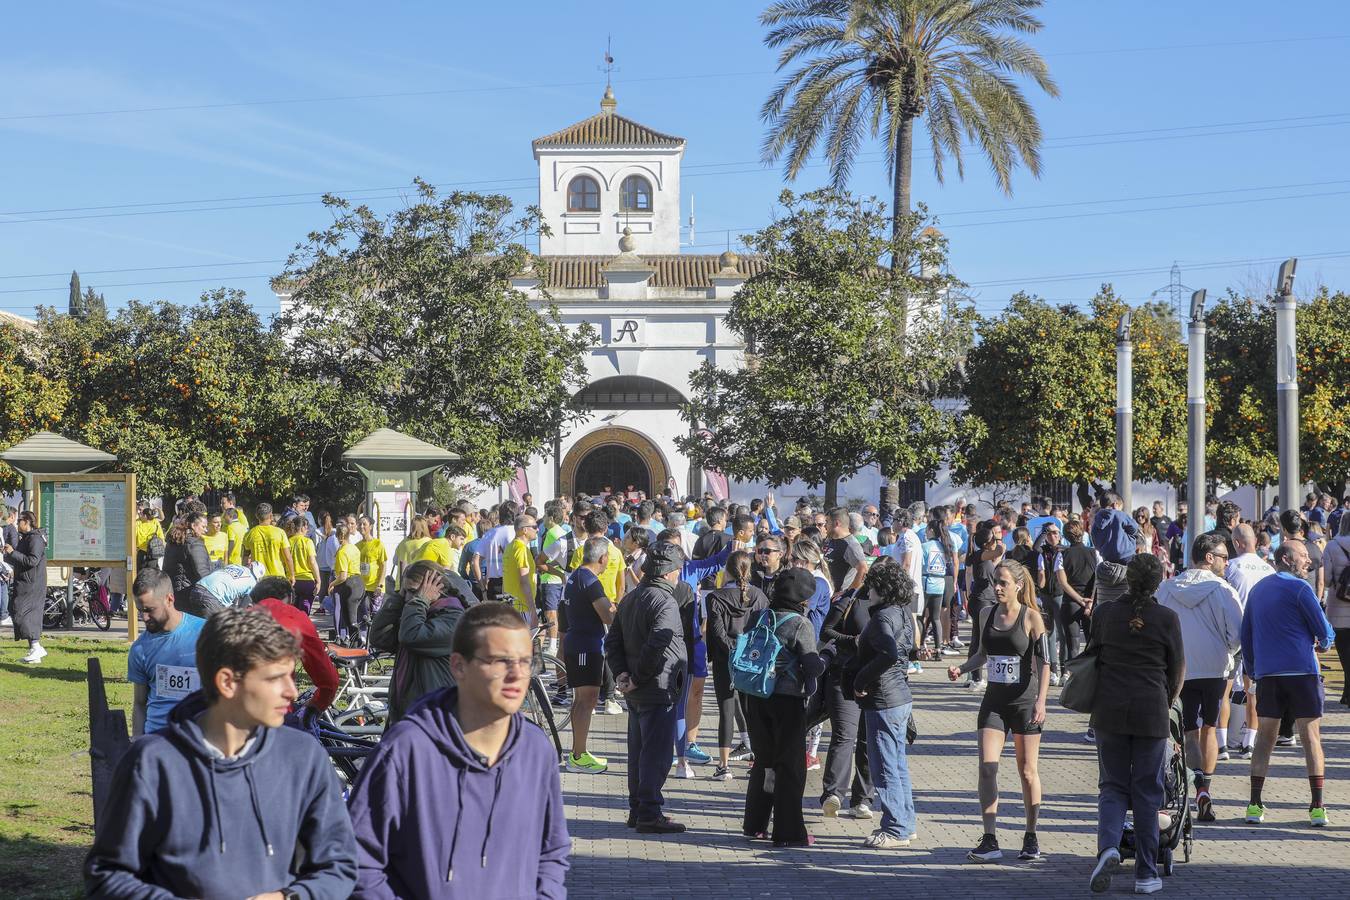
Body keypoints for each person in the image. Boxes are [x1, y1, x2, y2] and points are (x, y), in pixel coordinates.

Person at [85, 607, 357, 899]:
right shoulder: (152, 763)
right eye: (276, 678)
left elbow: (339, 865)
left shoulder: (304, 758)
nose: (292, 691)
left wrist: (289, 897)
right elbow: (107, 875)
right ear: (228, 682)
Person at [348, 600, 570, 898]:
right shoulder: (407, 750)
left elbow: (552, 850)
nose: (517, 674)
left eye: (526, 661)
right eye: (500, 661)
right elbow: (358, 860)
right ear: (458, 666)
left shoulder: (536, 750)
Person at [1088, 553, 1184, 895]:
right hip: (1151, 710)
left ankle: (1110, 846)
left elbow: (1092, 657)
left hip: (1110, 709)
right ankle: (1145, 872)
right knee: (1147, 792)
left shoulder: (1105, 614)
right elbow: (1178, 670)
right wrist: (1168, 700)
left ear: (1127, 580)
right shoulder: (1167, 618)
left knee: (1112, 786)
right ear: (1158, 582)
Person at [949, 559, 1049, 863]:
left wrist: (1041, 701)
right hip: (993, 703)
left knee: (1027, 771)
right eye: (995, 581)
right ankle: (990, 838)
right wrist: (961, 668)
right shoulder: (985, 613)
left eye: (1003, 582)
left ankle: (1030, 835)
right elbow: (982, 654)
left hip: (1024, 703)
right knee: (987, 768)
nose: (997, 587)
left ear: (1018, 585)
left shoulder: (1032, 618)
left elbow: (1045, 664)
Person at [1241, 540, 1336, 827]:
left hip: (1268, 675)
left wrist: (1254, 670)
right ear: (1286, 558)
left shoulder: (1258, 590)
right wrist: (1326, 642)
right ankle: (1317, 807)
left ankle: (1254, 805)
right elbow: (1323, 630)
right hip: (1302, 673)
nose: (1308, 561)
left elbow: (1246, 636)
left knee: (1265, 738)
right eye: (1303, 556)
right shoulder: (1300, 588)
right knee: (1310, 738)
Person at [1152, 532, 1242, 821]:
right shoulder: (1223, 590)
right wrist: (1227, 649)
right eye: (1224, 557)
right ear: (1209, 558)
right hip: (1215, 669)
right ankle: (1206, 789)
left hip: (1179, 669)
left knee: (1188, 731)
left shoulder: (1166, 588)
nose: (1228, 563)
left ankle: (1194, 788)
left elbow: (1156, 625)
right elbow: (1237, 634)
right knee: (1211, 729)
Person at [604, 541, 688, 833]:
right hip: (655, 686)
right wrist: (634, 676)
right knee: (655, 753)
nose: (679, 575)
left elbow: (611, 642)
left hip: (640, 687)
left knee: (639, 751)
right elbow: (657, 644)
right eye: (678, 570)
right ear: (669, 573)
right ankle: (649, 812)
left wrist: (622, 675)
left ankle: (638, 809)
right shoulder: (664, 601)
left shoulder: (631, 597)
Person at [740, 568, 825, 847]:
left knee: (763, 760)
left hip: (756, 695)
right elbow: (811, 666)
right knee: (790, 767)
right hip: (788, 701)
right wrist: (827, 658)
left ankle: (754, 825)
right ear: (802, 598)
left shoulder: (761, 615)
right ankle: (789, 832)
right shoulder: (801, 624)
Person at [850, 557, 919, 849]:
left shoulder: (881, 617)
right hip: (898, 695)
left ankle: (895, 828)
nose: (869, 591)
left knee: (886, 766)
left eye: (873, 586)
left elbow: (888, 654)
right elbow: (906, 651)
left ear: (882, 588)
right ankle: (905, 823)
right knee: (897, 764)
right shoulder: (902, 611)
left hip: (884, 698)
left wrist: (860, 680)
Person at [369, 561, 472, 723]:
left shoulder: (453, 618)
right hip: (409, 716)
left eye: (414, 591)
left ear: (438, 588)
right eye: (406, 592)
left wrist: (419, 600)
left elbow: (412, 637)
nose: (409, 598)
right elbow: (380, 637)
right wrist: (399, 598)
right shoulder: (417, 613)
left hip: (435, 720)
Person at [817, 557, 880, 821]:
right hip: (843, 675)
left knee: (867, 739)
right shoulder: (850, 599)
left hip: (876, 679)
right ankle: (833, 794)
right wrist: (852, 640)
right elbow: (826, 631)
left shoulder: (891, 607)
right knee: (845, 734)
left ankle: (862, 799)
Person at [705, 550, 770, 779]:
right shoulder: (759, 596)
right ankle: (759, 760)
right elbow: (764, 631)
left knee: (726, 711)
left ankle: (723, 766)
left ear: (727, 570)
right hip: (752, 660)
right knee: (753, 711)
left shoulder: (715, 597)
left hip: (726, 660)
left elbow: (716, 633)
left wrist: (729, 651)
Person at [127, 569, 206, 736]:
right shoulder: (140, 649)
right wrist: (138, 744)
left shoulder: (206, 634)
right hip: (157, 738)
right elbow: (139, 704)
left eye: (150, 609)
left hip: (198, 737)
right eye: (140, 610)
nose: (144, 617)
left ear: (170, 599)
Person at [562, 536, 618, 774]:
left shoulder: (575, 575)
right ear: (603, 558)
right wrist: (619, 609)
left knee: (582, 701)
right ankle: (578, 755)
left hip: (578, 642)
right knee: (587, 701)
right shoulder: (590, 580)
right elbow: (608, 616)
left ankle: (579, 752)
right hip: (586, 644)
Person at [248, 577, 340, 716]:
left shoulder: (241, 617)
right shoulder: (296, 617)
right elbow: (329, 680)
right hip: (274, 708)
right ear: (290, 597)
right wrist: (316, 706)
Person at [4, 511, 48, 663]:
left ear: (27, 521)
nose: (17, 524)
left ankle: (36, 647)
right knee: (21, 613)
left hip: (32, 584)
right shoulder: (27, 538)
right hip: (25, 582)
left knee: (24, 614)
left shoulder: (35, 539)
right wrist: (8, 554)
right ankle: (34, 650)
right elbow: (20, 558)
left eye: (19, 521)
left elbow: (32, 561)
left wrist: (13, 553)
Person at [1325, 512, 1350, 707]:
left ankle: (1348, 692)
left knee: (1343, 651)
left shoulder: (1332, 546)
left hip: (1338, 606)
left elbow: (1326, 580)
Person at [241, 503, 294, 582]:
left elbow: (245, 557)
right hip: (278, 577)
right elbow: (288, 557)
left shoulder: (249, 534)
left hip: (258, 578)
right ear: (271, 516)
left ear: (256, 516)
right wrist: (292, 575)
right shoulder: (280, 532)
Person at [825, 507, 867, 596]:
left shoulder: (850, 544)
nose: (825, 525)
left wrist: (846, 592)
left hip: (838, 601)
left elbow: (863, 570)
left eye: (827, 522)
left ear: (836, 523)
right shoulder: (831, 540)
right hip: (827, 595)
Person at [287, 515, 320, 614]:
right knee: (305, 609)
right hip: (307, 580)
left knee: (293, 611)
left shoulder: (288, 542)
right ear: (302, 528)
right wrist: (318, 580)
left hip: (291, 580)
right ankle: (303, 628)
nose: (307, 530)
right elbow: (312, 561)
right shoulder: (307, 542)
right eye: (306, 527)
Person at [356, 515, 390, 606]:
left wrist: (380, 585)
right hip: (362, 587)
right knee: (364, 616)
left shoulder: (378, 544)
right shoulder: (357, 546)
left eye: (364, 524)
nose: (362, 526)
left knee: (375, 616)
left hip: (375, 586)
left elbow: (383, 566)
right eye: (360, 524)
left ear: (370, 527)